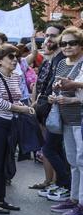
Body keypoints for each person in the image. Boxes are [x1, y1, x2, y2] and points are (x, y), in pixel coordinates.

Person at [0, 44, 34, 214]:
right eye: (11, 57)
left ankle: (0, 199)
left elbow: (15, 98)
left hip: (9, 122)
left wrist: (24, 106)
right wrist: (21, 109)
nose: (15, 60)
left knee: (4, 162)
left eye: (16, 56)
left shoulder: (15, 76)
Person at [44, 27, 83, 215]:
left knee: (82, 162)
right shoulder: (60, 63)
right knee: (73, 162)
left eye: (72, 43)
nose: (67, 47)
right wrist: (54, 96)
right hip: (65, 118)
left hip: (79, 118)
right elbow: (57, 87)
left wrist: (72, 99)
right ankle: (74, 198)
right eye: (63, 43)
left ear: (80, 44)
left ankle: (82, 203)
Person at [33, 25, 72, 200]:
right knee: (53, 149)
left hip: (59, 112)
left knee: (51, 149)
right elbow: (40, 84)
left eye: (53, 36)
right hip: (46, 111)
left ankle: (64, 186)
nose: (48, 39)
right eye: (47, 35)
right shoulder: (49, 60)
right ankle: (59, 185)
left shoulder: (64, 60)